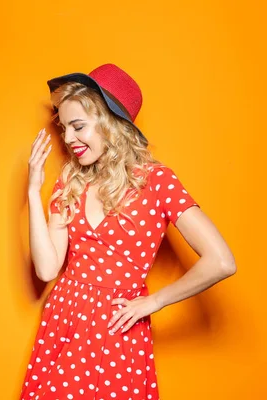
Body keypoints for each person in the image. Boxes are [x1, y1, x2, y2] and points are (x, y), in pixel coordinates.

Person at [21, 63, 236, 400]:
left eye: (78, 126)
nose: (68, 139)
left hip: (118, 324)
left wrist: (155, 301)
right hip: (65, 320)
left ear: (111, 125)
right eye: (64, 128)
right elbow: (47, 268)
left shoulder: (157, 181)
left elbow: (222, 261)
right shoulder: (70, 182)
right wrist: (34, 192)